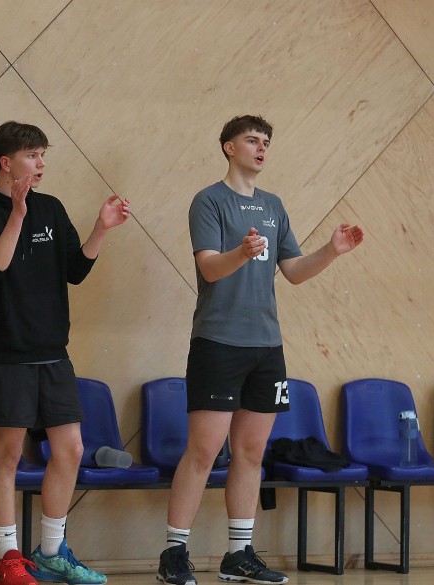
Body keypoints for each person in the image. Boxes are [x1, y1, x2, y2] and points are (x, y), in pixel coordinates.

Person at [157, 115, 364, 585]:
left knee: (251, 452)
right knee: (204, 450)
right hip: (218, 342)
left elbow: (293, 271)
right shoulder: (209, 200)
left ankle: (238, 554)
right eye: (252, 140)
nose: (261, 148)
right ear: (229, 147)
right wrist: (242, 253)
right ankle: (174, 554)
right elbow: (210, 269)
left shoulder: (274, 206)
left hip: (266, 346)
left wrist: (330, 251)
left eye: (266, 141)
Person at [0, 121, 131, 585]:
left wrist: (101, 229)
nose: (41, 163)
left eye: (43, 154)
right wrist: (16, 214)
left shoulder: (50, 207)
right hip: (4, 350)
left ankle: (51, 551)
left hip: (52, 350)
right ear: (5, 162)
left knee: (70, 448)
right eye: (32, 155)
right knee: (8, 452)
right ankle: (9, 557)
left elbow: (75, 270)